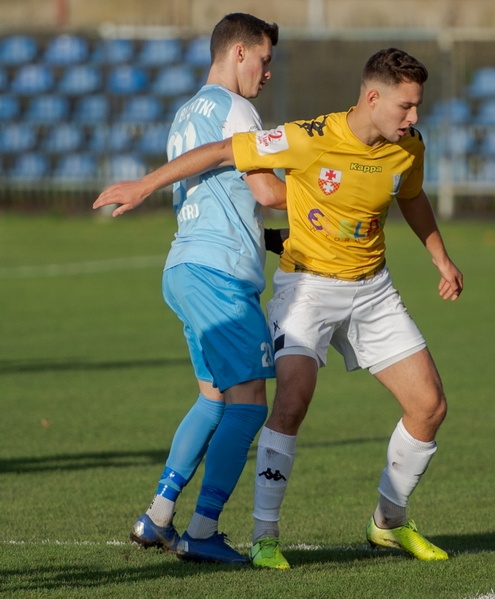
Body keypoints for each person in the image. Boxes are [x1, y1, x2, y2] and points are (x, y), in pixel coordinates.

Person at [94, 47, 463, 569]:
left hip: (373, 289)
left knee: (429, 407)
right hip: (307, 289)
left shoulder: (410, 147)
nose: (414, 117)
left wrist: (440, 258)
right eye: (406, 106)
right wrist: (145, 185)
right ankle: (265, 536)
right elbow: (223, 151)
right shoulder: (310, 137)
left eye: (417, 106)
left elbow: (412, 196)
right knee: (290, 402)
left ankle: (388, 522)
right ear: (373, 96)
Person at [96, 13, 284, 564]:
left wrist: (270, 239)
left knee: (213, 399)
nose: (268, 73)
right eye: (265, 60)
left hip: (185, 267)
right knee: (250, 403)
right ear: (240, 52)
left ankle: (157, 516)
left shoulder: (186, 113)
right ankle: (202, 532)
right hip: (218, 274)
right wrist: (332, 199)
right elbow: (267, 189)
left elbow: (221, 199)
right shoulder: (238, 109)